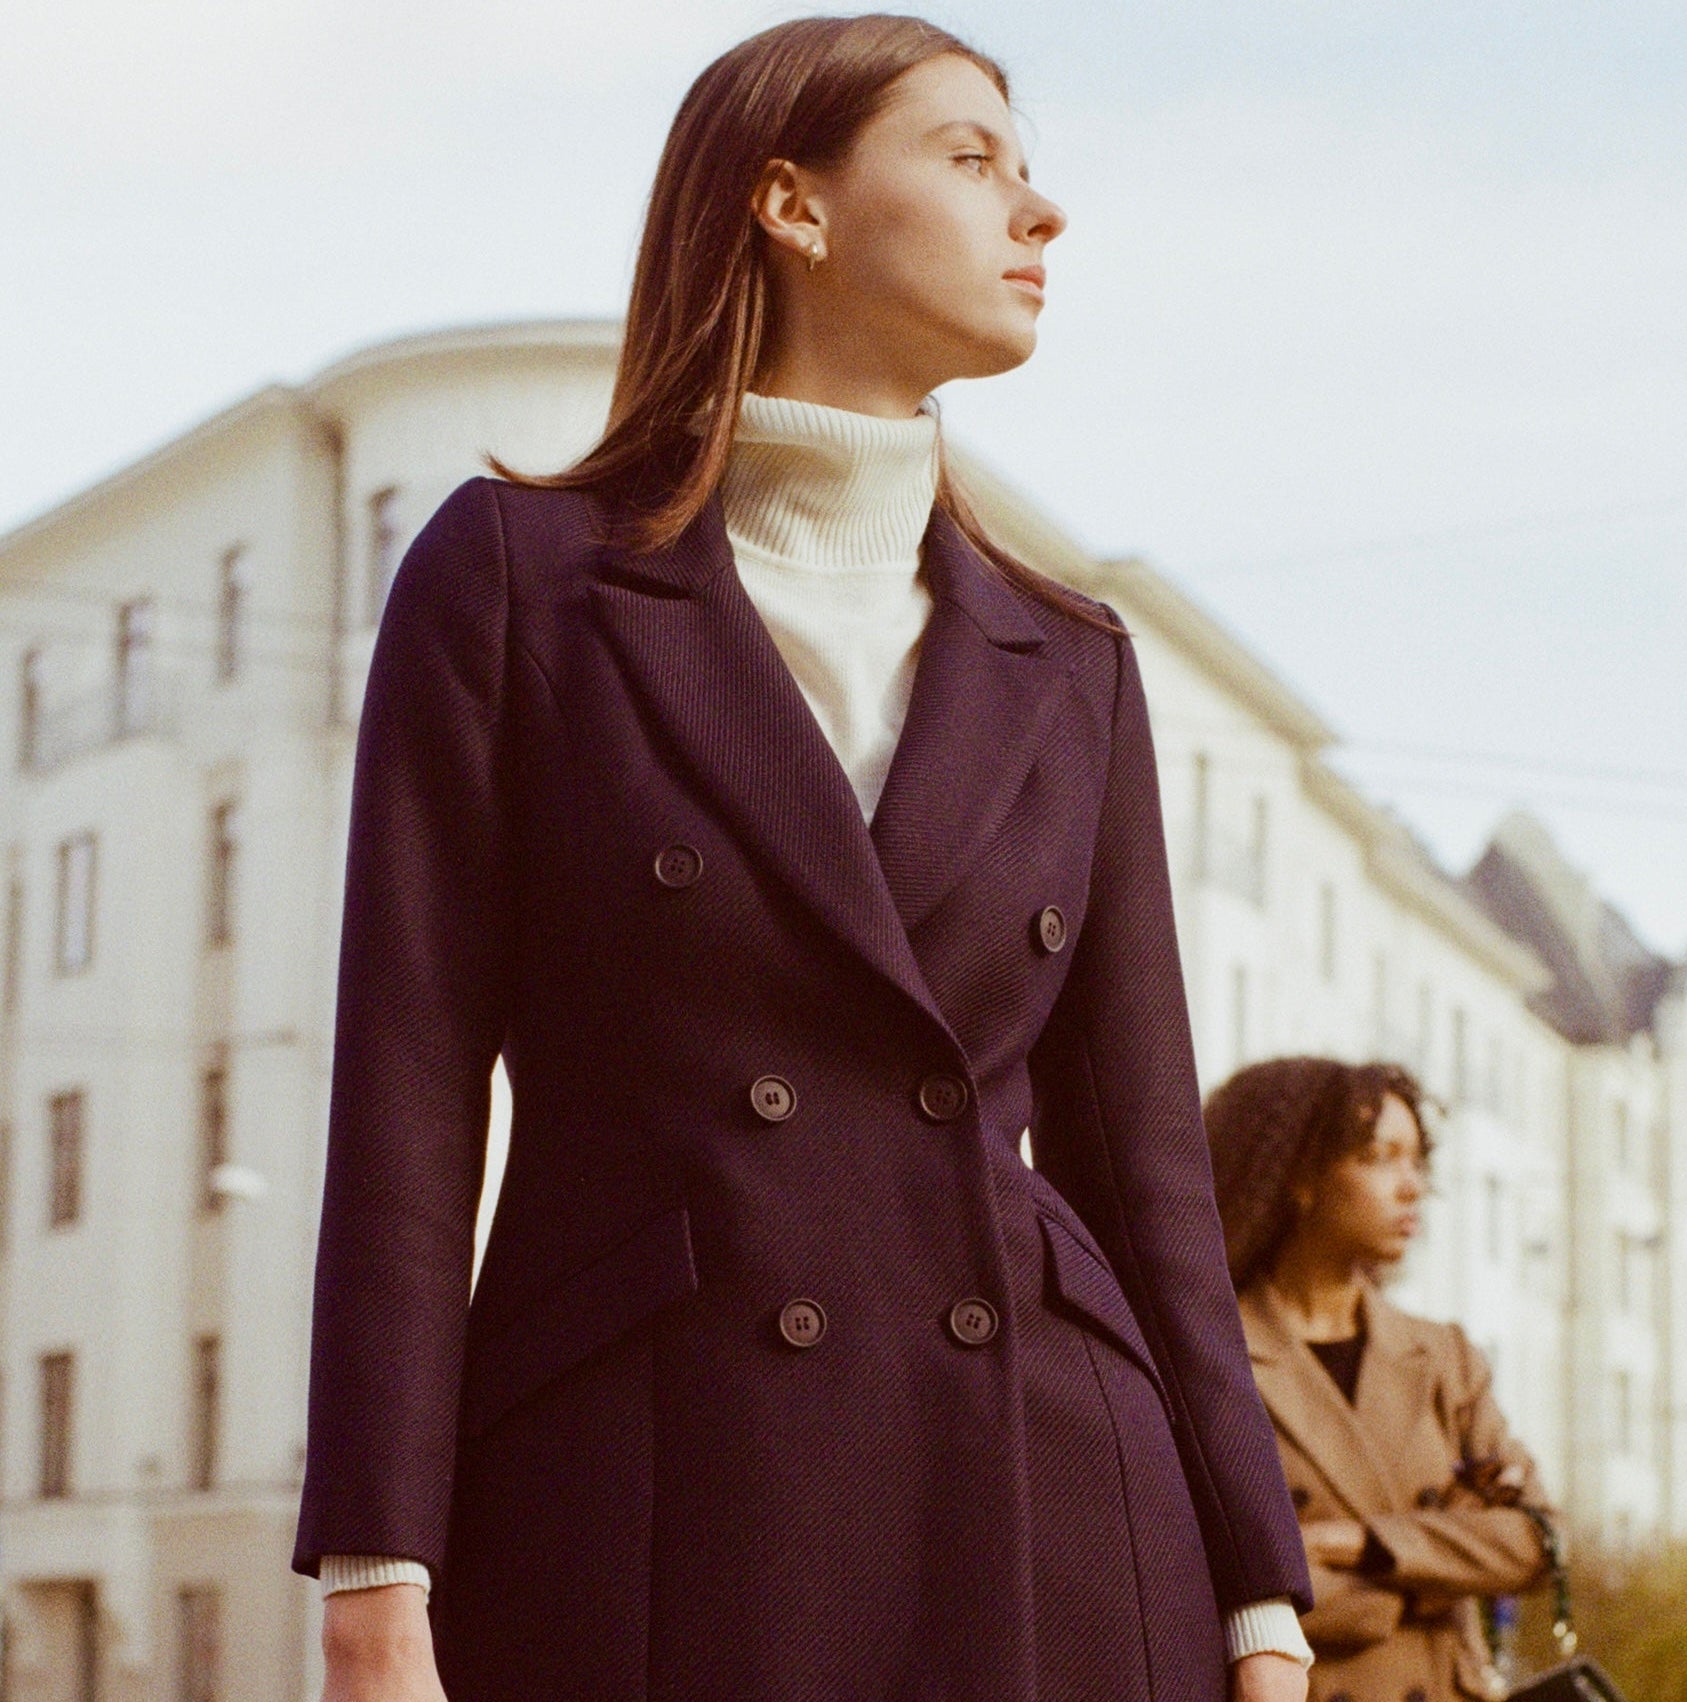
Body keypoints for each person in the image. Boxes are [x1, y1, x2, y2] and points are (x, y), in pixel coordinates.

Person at [295, 16, 1316, 1702]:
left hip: (1052, 1495)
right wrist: (373, 1576)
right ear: (793, 201)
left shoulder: (1073, 661)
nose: (1039, 213)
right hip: (650, 1494)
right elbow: (402, 1095)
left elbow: (1146, 1170)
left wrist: (1258, 1597)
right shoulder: (516, 585)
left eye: (1030, 167)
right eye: (972, 158)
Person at [1205, 1059, 1554, 1702]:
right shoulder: (1210, 1356)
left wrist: (1364, 1544)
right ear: (1300, 1177)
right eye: (1380, 1157)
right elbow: (1199, 1582)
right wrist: (1429, 1574)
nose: (1411, 1186)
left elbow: (1535, 1538)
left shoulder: (1444, 1357)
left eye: (1417, 1160)